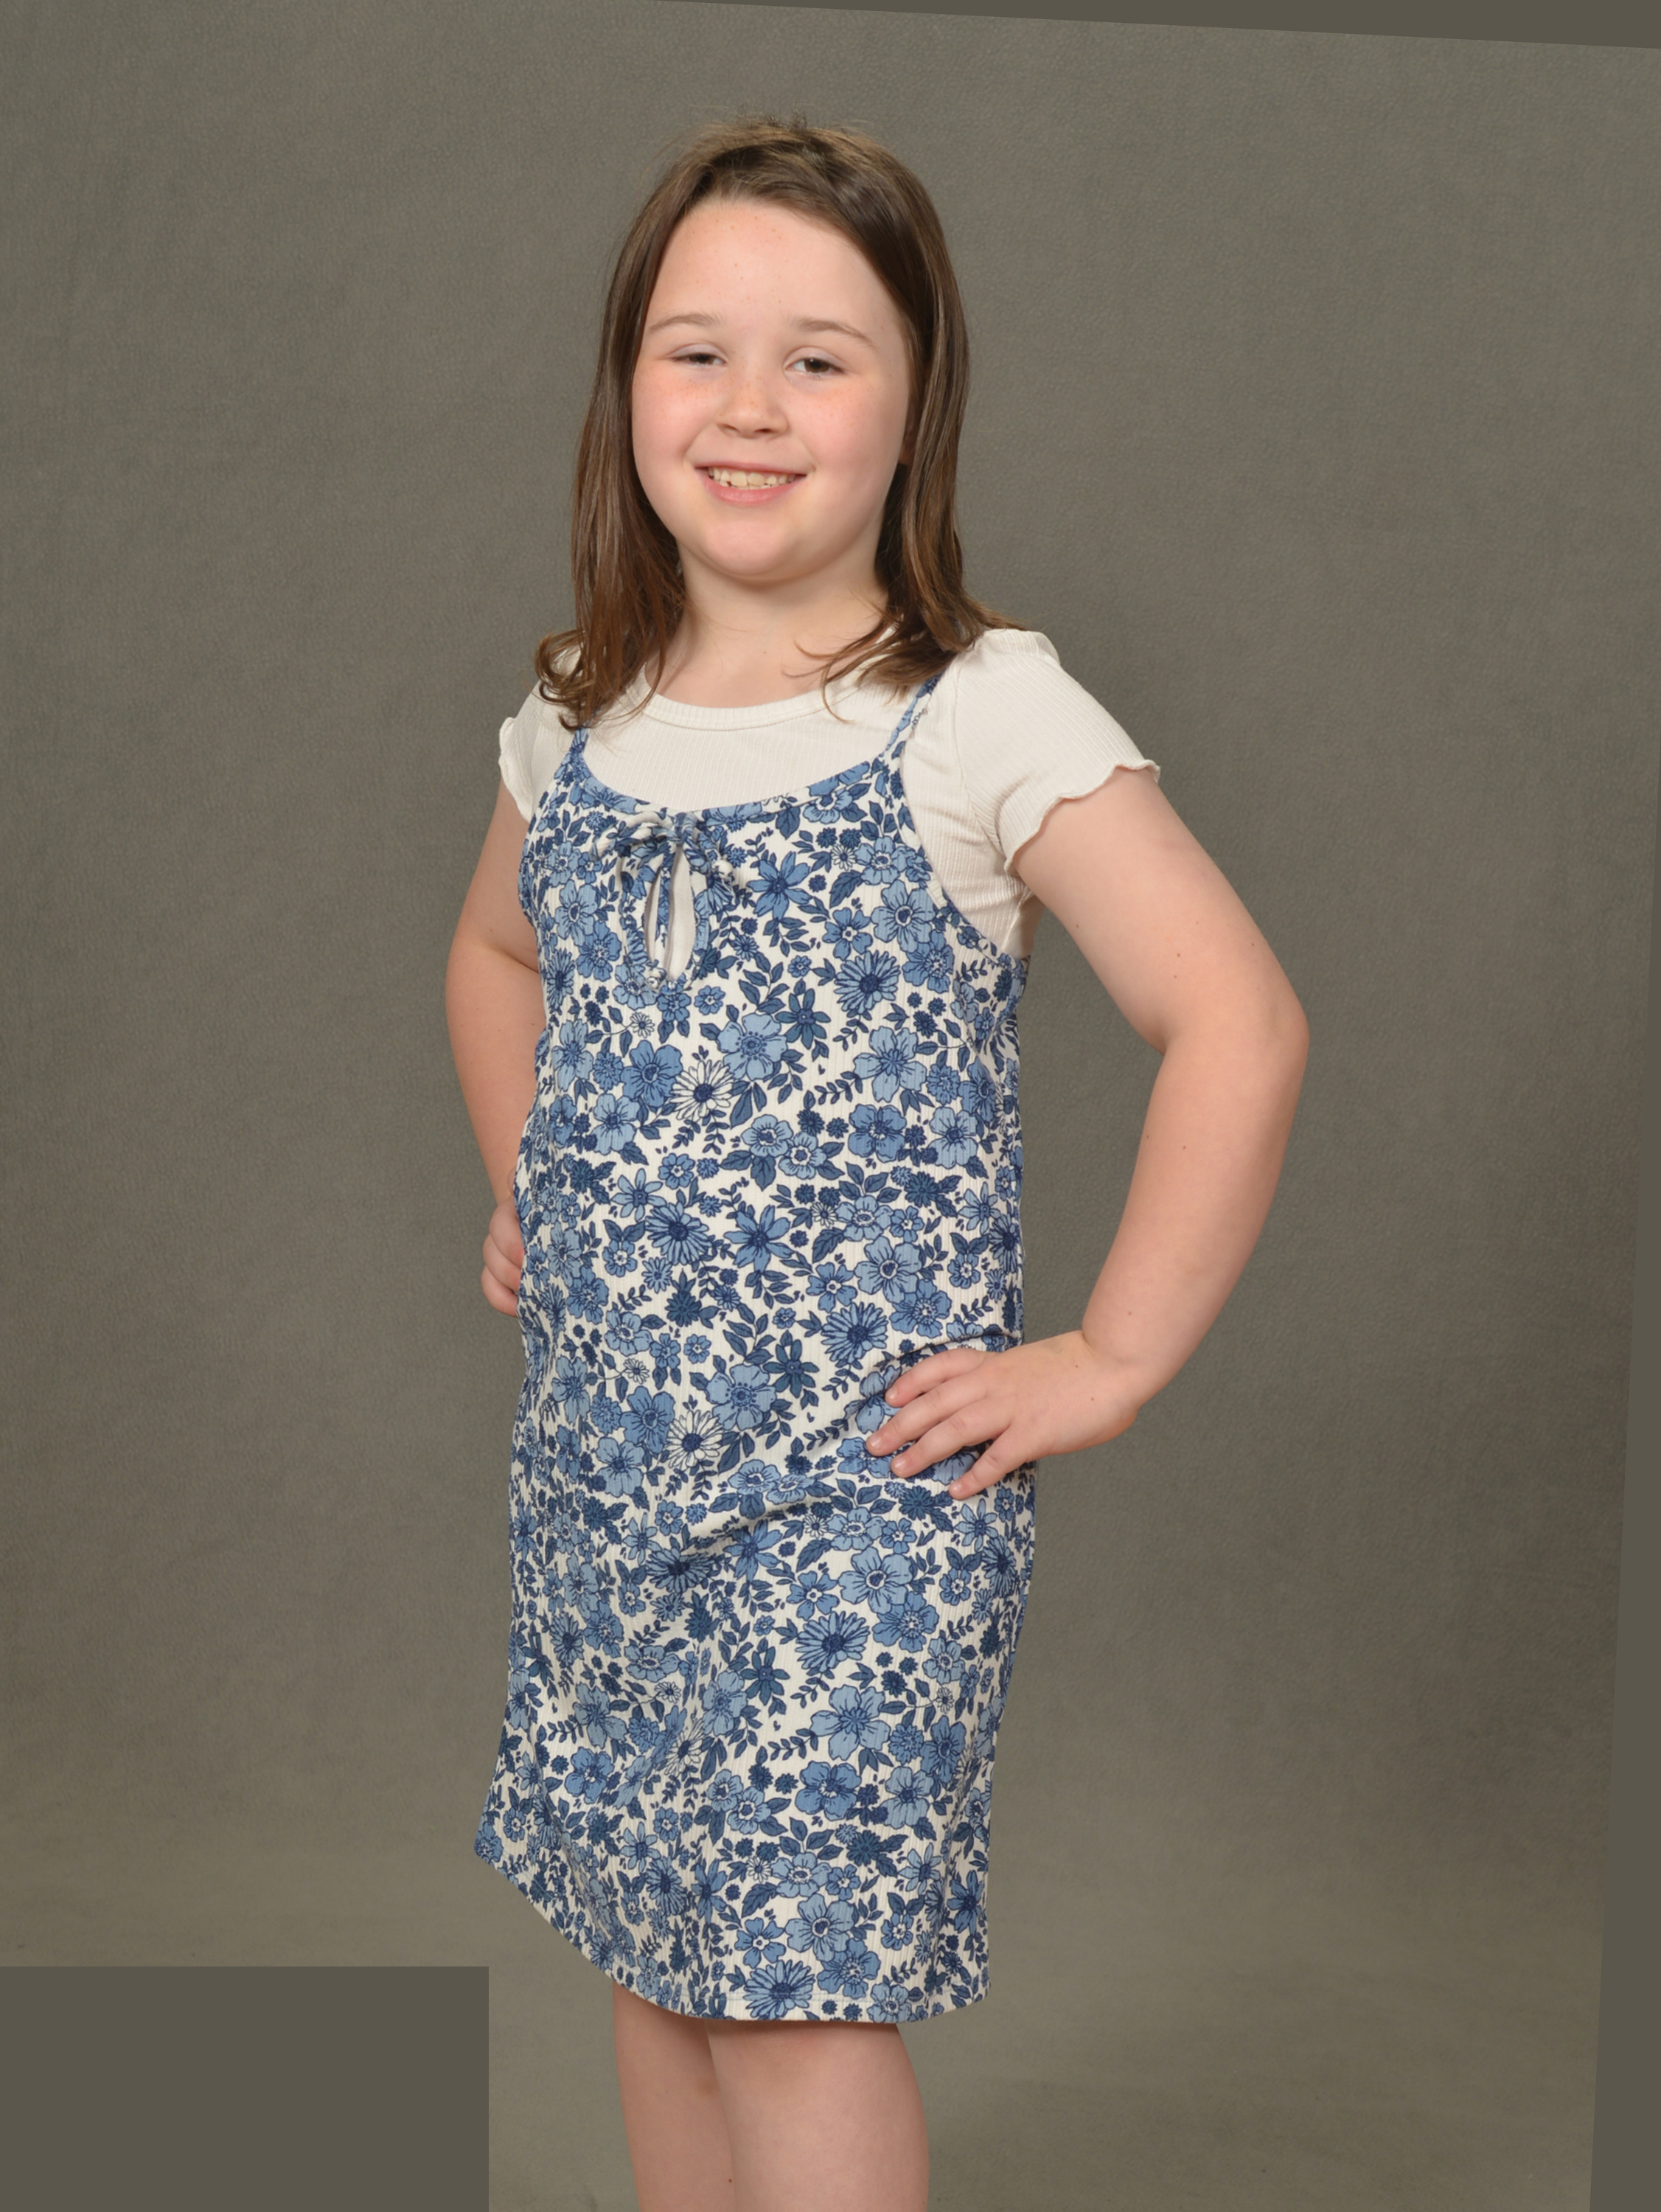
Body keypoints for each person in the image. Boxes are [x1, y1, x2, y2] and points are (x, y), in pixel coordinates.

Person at [446, 114, 1307, 2212]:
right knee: (655, 1950)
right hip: (611, 1473)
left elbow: (1238, 1022)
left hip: (857, 1502)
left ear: (915, 405)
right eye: (697, 350)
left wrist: (1110, 1355)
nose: (749, 406)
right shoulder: (580, 712)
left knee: (794, 1999)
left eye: (818, 360)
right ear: (626, 384)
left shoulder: (975, 712)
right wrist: (536, 1183)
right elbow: (493, 954)